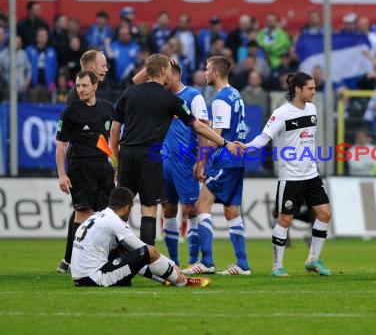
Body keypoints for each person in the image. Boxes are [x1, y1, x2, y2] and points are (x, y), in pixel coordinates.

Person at [110, 54, 240, 248]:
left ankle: (113, 253)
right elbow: (199, 127)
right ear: (163, 71)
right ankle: (147, 258)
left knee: (120, 208)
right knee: (149, 209)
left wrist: (115, 161)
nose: (172, 75)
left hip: (126, 154)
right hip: (150, 156)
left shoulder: (129, 93)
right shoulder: (170, 100)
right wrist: (224, 142)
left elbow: (113, 130)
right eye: (169, 71)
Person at [245, 72, 333, 277]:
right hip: (291, 176)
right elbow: (264, 137)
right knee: (285, 219)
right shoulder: (281, 113)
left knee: (325, 214)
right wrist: (245, 147)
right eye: (310, 88)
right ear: (298, 89)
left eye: (314, 87)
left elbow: (307, 139)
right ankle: (277, 266)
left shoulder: (312, 108)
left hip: (311, 174)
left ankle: (313, 260)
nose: (314, 91)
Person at [132, 62, 209, 267]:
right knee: (167, 210)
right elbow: (135, 82)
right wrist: (155, 60)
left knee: (192, 209)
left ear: (175, 75)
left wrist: (201, 161)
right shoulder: (160, 96)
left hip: (186, 162)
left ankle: (193, 261)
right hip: (162, 162)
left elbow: (203, 129)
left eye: (167, 75)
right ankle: (174, 261)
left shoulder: (194, 96)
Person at [183, 56, 251, 276]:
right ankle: (242, 264)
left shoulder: (221, 98)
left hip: (224, 159)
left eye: (206, 69)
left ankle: (207, 261)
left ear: (217, 73)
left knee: (201, 206)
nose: (204, 73)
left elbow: (217, 137)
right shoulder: (236, 94)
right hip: (238, 160)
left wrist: (201, 161)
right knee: (231, 210)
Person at [70, 187, 211, 288]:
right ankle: (183, 281)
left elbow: (135, 258)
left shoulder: (98, 216)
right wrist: (173, 267)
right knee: (149, 251)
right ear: (126, 208)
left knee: (126, 251)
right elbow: (146, 251)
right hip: (95, 278)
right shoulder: (115, 221)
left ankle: (165, 279)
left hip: (80, 278)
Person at [56, 49, 111, 274]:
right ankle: (74, 260)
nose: (106, 68)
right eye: (102, 65)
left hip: (102, 166)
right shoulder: (73, 106)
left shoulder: (107, 108)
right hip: (81, 165)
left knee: (102, 212)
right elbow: (63, 144)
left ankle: (79, 258)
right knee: (83, 211)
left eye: (84, 86)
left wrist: (114, 162)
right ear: (90, 69)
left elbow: (107, 139)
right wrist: (63, 173)